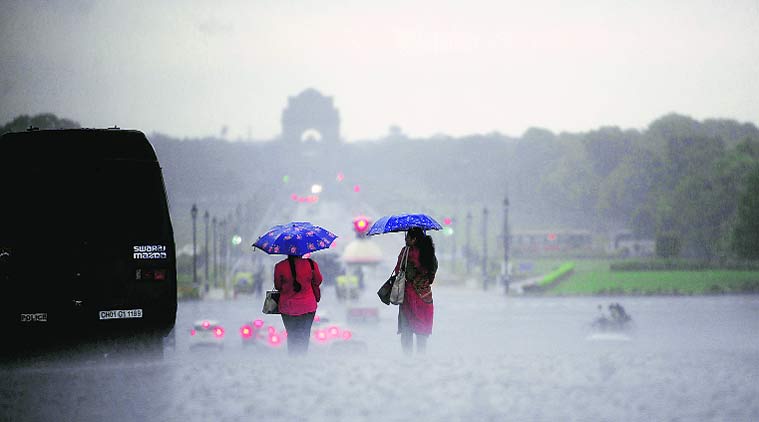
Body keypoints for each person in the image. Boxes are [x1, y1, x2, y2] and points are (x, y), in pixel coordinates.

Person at [393, 227, 437, 355]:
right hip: (425, 297)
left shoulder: (406, 252)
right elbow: (431, 276)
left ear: (414, 239)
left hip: (408, 297)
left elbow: (397, 271)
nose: (405, 239)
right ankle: (421, 360)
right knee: (422, 331)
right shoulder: (429, 253)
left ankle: (408, 361)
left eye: (407, 237)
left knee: (407, 331)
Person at [274, 254, 323, 355]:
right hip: (308, 306)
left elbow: (278, 286)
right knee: (305, 333)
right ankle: (302, 356)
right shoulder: (311, 264)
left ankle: (293, 357)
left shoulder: (280, 266)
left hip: (288, 307)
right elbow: (318, 281)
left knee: (291, 333)